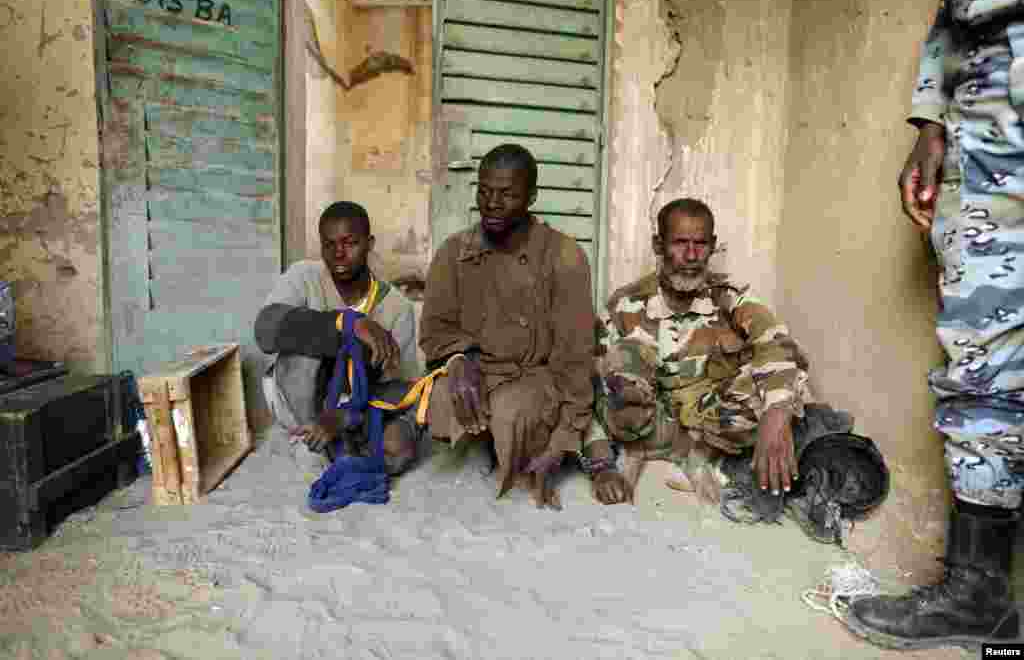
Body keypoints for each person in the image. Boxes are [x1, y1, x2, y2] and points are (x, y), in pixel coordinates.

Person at [845, 0, 1024, 650]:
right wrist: (931, 120)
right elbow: (956, 6)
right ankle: (980, 593)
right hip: (987, 119)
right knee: (981, 356)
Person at [419, 143, 630, 509]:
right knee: (442, 400)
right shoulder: (453, 252)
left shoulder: (564, 256)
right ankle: (488, 441)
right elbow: (435, 330)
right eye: (484, 191)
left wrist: (563, 440)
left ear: (531, 196)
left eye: (507, 194)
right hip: (479, 371)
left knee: (512, 411)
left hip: (535, 378)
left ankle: (539, 442)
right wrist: (458, 359)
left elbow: (574, 363)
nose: (492, 204)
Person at [591, 198, 812, 505]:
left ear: (712, 246)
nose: (692, 255)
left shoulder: (730, 296)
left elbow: (776, 343)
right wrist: (600, 464)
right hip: (645, 424)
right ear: (658, 245)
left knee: (777, 382)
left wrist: (777, 413)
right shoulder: (624, 304)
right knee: (619, 359)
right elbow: (584, 387)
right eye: (680, 243)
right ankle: (644, 450)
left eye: (701, 244)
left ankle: (694, 455)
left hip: (704, 426)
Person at [254, 201, 420, 476]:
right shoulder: (304, 277)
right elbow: (265, 330)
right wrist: (346, 322)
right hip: (301, 400)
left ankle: (337, 440)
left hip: (356, 409)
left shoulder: (397, 308)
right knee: (305, 347)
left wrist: (346, 415)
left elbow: (401, 388)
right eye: (329, 245)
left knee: (399, 448)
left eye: (350, 243)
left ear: (369, 243)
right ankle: (309, 436)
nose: (339, 254)